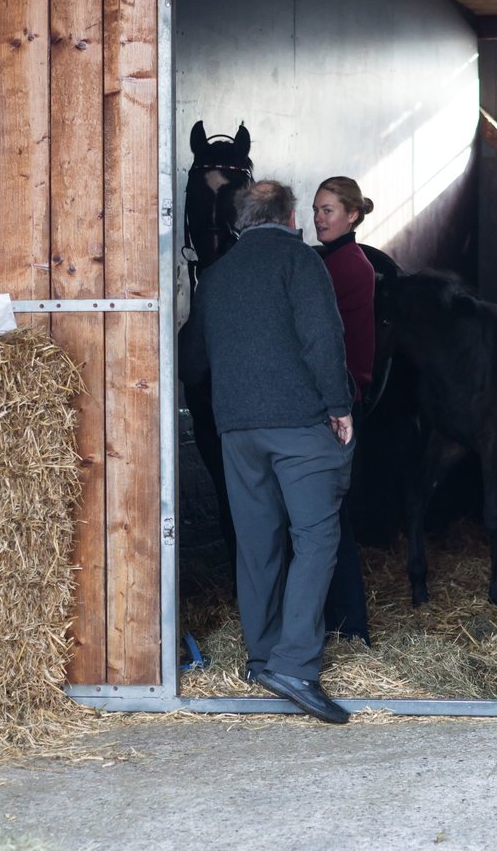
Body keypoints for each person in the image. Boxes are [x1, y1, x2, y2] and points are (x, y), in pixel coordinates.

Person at [181, 180, 356, 725]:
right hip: (299, 425)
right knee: (316, 537)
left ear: (240, 220)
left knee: (257, 542)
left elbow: (193, 360)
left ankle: (262, 658)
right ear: (289, 216)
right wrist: (340, 403)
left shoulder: (217, 274)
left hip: (238, 431)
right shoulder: (301, 263)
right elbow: (322, 337)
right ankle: (296, 665)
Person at [312, 176, 376, 645]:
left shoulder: (348, 266)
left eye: (329, 210)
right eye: (316, 210)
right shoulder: (331, 260)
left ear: (352, 215)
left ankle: (351, 625)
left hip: (340, 404)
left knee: (332, 515)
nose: (320, 218)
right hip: (335, 399)